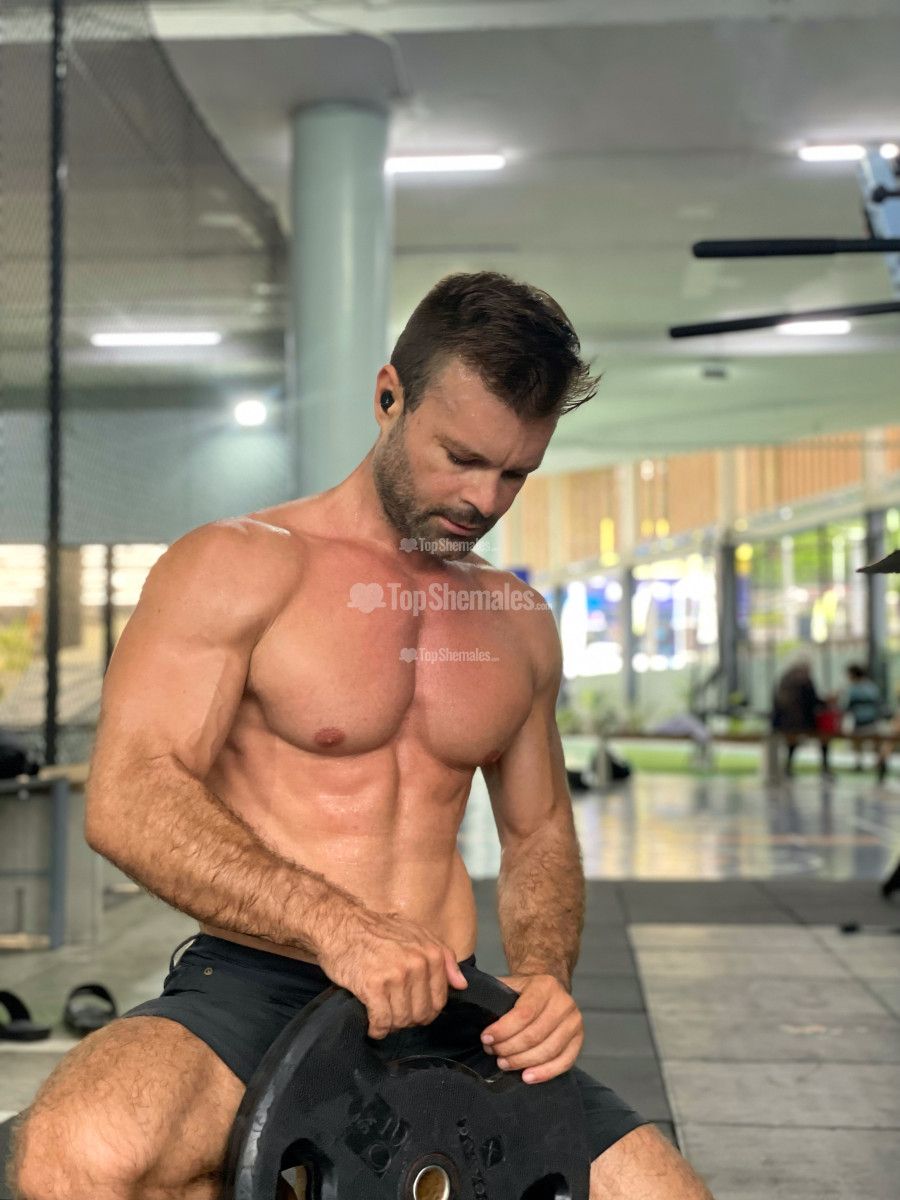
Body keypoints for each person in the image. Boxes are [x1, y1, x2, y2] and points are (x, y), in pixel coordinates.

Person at [11, 273, 711, 1200]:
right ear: (390, 397)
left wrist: (543, 976)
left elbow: (538, 829)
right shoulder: (238, 566)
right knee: (77, 1157)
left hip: (455, 1009)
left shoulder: (515, 619)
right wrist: (338, 927)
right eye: (460, 457)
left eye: (515, 473)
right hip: (262, 985)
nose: (482, 498)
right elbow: (131, 794)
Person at [772, 658, 831, 777]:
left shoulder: (784, 679)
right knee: (824, 736)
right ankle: (825, 766)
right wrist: (826, 703)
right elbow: (812, 701)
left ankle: (788, 766)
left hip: (784, 722)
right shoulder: (804, 680)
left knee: (792, 742)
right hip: (803, 722)